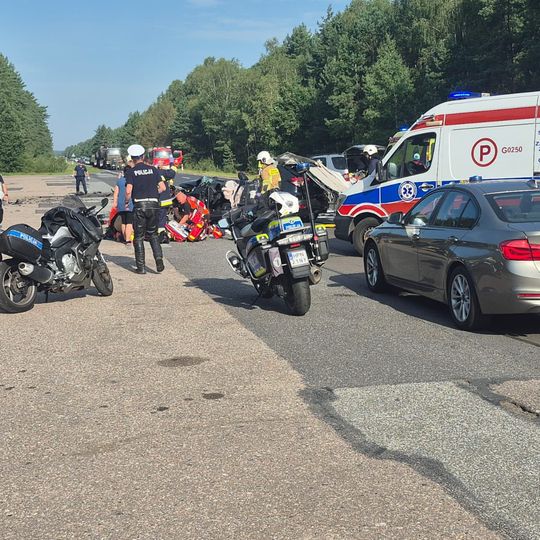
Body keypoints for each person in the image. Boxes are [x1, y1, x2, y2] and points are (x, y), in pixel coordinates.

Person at [124, 144, 166, 274]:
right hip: (154, 205)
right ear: (143, 156)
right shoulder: (153, 170)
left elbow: (128, 191)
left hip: (139, 206)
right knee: (153, 234)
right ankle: (158, 260)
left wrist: (127, 201)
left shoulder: (131, 172)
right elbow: (163, 187)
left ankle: (141, 267)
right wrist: (153, 194)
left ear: (132, 158)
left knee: (138, 237)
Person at [112, 164, 134, 244]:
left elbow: (116, 193)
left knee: (123, 221)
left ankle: (125, 238)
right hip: (130, 203)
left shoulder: (119, 181)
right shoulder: (132, 180)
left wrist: (115, 202)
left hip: (120, 204)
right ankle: (128, 239)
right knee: (129, 222)